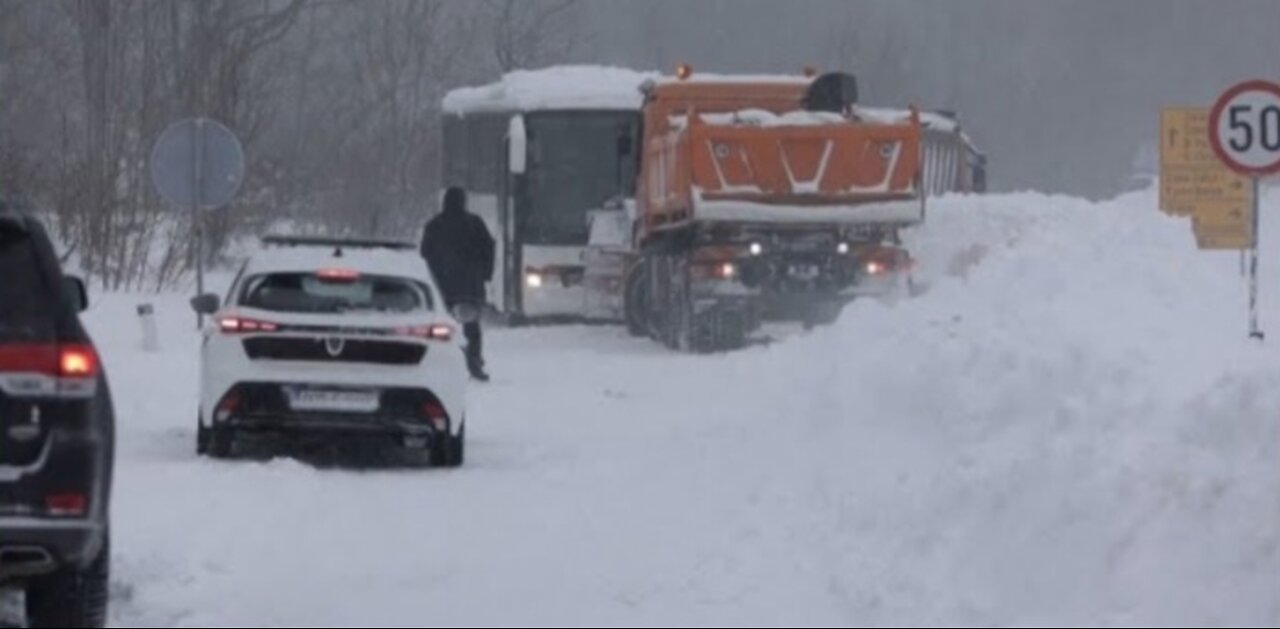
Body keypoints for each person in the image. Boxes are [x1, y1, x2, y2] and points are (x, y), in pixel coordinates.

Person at [420, 186, 495, 381]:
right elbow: (489, 248)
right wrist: (485, 274)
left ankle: (440, 362)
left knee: (442, 326)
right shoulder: (475, 224)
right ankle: (474, 362)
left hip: (442, 287)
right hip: (469, 286)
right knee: (471, 327)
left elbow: (425, 254)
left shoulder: (434, 226)